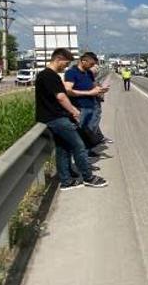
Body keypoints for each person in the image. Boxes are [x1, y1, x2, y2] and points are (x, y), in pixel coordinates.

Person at [35, 48, 107, 190]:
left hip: (50, 117)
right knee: (79, 146)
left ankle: (66, 181)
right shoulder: (49, 75)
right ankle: (88, 177)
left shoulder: (45, 75)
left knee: (63, 149)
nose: (66, 66)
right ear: (58, 59)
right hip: (56, 118)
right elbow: (61, 96)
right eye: (65, 63)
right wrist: (73, 110)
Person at [64, 52, 106, 135]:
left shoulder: (89, 73)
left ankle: (89, 145)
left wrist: (100, 89)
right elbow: (68, 91)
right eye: (91, 64)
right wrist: (90, 93)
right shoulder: (71, 72)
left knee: (89, 132)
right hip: (80, 108)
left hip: (92, 106)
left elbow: (93, 86)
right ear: (83, 61)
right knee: (79, 132)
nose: (92, 66)